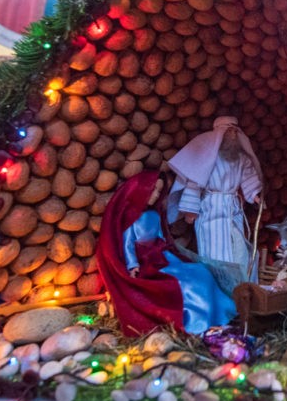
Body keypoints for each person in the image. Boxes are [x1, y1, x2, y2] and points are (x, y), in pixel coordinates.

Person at [96, 170, 236, 336]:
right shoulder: (131, 218)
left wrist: (168, 251)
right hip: (146, 262)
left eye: (159, 191)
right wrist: (133, 265)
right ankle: (193, 322)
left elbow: (161, 237)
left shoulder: (154, 215)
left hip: (163, 256)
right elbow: (127, 245)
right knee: (184, 283)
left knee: (201, 272)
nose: (156, 195)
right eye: (153, 190)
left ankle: (217, 314)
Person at [166, 117, 262, 275]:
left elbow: (248, 176)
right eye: (228, 131)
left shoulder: (240, 157)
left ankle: (240, 280)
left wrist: (254, 194)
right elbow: (194, 182)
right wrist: (191, 210)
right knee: (213, 249)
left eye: (235, 131)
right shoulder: (207, 158)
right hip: (211, 209)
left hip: (232, 209)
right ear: (219, 134)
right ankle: (218, 282)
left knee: (238, 247)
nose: (232, 135)